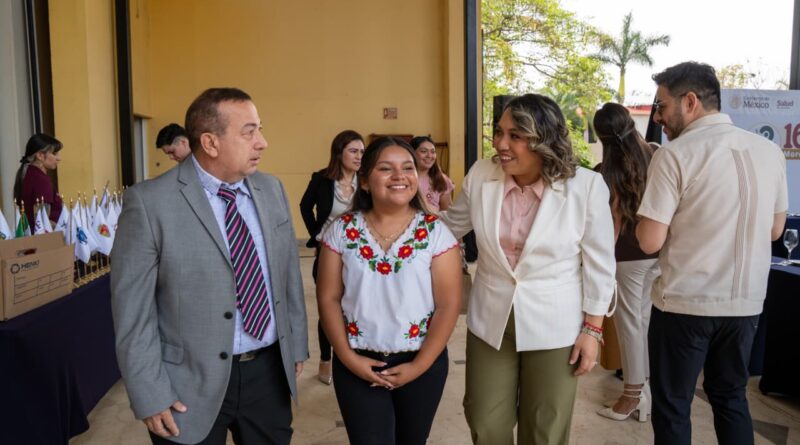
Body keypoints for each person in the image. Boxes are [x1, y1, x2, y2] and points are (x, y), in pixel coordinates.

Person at [111, 88, 309, 445]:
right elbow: (132, 312)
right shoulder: (150, 203)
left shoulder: (271, 189)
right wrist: (148, 391)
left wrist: (295, 345)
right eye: (249, 132)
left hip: (267, 372)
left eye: (259, 130)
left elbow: (287, 276)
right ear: (210, 142)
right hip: (187, 382)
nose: (262, 142)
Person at [441, 93, 616, 444]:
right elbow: (449, 227)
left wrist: (592, 330)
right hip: (491, 320)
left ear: (545, 140)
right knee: (485, 422)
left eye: (515, 136)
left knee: (545, 430)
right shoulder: (481, 175)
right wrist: (393, 219)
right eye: (499, 132)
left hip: (555, 325)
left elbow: (600, 264)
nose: (501, 144)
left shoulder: (585, 186)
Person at [636, 62, 788, 445]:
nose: (659, 117)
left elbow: (649, 241)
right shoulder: (769, 151)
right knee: (732, 398)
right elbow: (775, 230)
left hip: (685, 305)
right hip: (745, 305)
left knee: (672, 406)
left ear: (690, 102)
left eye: (662, 106)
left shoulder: (674, 155)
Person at [316, 136, 462, 445]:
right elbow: (328, 298)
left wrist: (418, 366)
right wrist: (346, 356)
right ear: (365, 181)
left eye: (407, 168)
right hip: (357, 361)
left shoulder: (436, 232)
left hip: (422, 363)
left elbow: (449, 304)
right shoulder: (341, 229)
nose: (399, 176)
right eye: (386, 168)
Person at [593, 102, 659, 422]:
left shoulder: (609, 171)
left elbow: (614, 225)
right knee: (643, 325)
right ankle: (643, 391)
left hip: (628, 258)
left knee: (630, 327)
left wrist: (603, 265)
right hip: (658, 253)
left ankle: (632, 395)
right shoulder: (656, 154)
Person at [299, 129, 365, 385]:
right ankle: (326, 358)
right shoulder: (322, 179)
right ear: (339, 153)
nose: (359, 156)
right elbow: (305, 206)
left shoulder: (367, 180)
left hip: (359, 254)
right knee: (329, 307)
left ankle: (352, 354)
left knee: (355, 307)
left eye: (361, 152)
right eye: (353, 151)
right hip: (327, 253)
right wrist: (316, 233)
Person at [13, 133, 63, 224]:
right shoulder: (41, 180)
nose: (59, 158)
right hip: (43, 237)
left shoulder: (27, 172)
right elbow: (42, 223)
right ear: (40, 155)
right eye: (54, 153)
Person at [410, 136, 454, 211]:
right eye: (424, 151)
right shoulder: (404, 178)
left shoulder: (441, 179)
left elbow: (447, 213)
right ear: (412, 153)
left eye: (433, 152)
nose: (429, 156)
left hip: (434, 221)